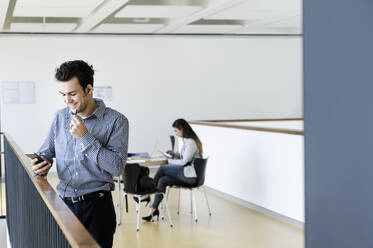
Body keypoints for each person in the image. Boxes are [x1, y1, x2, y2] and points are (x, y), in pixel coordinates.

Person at [31, 60, 128, 248]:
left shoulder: (116, 121)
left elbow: (117, 167)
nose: (67, 100)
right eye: (63, 94)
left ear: (89, 89)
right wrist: (40, 163)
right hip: (63, 205)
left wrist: (84, 137)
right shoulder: (60, 117)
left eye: (72, 94)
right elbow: (46, 151)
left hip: (97, 208)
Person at [141, 118, 203, 221]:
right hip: (186, 174)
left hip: (191, 177)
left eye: (176, 131)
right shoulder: (188, 141)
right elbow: (185, 157)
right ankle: (153, 210)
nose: (175, 133)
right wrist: (175, 154)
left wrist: (169, 161)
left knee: (163, 168)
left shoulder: (191, 142)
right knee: (162, 180)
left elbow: (184, 162)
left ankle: (147, 193)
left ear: (182, 129)